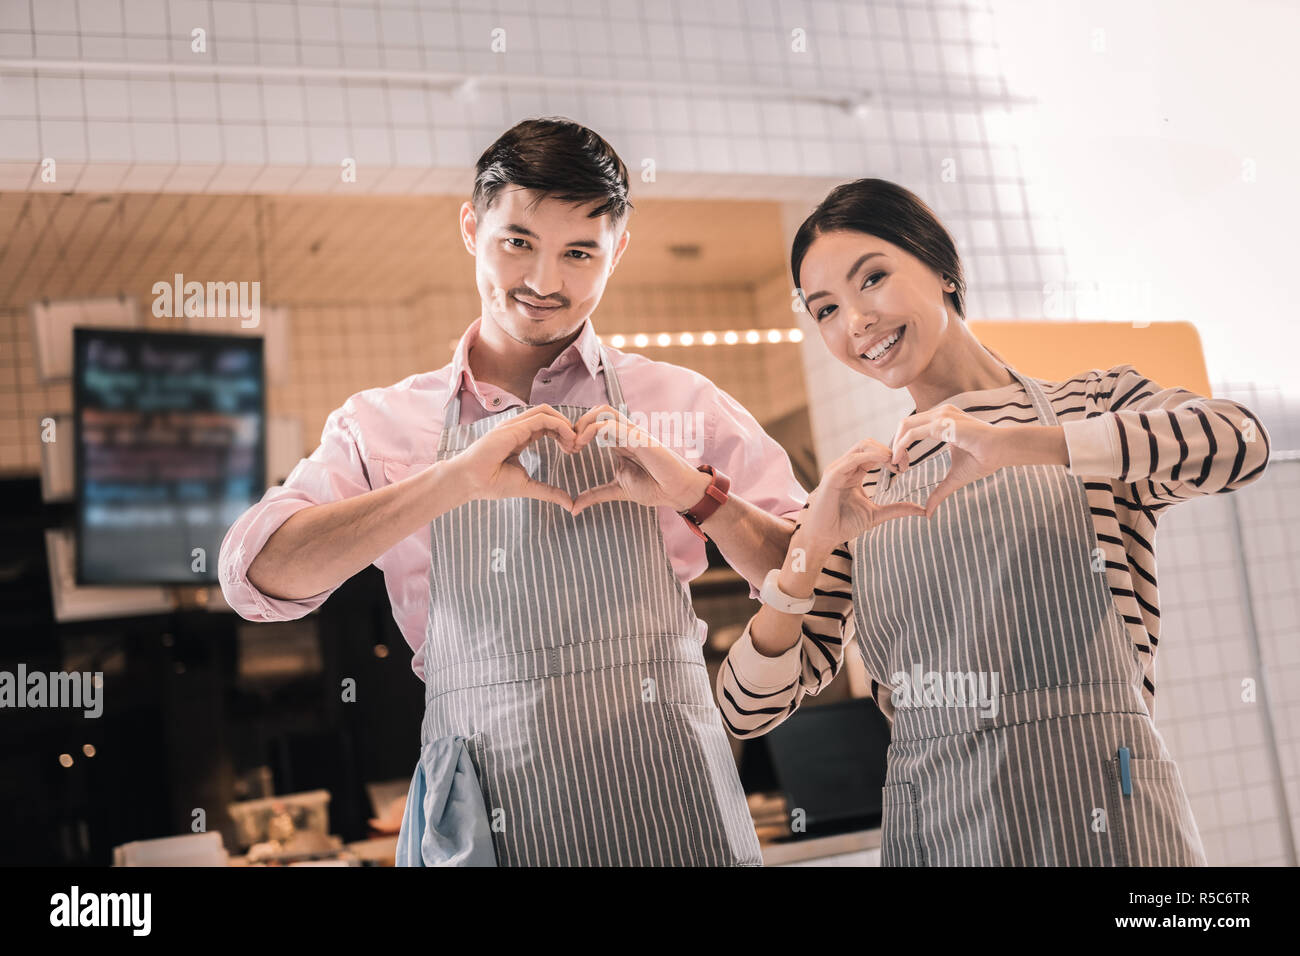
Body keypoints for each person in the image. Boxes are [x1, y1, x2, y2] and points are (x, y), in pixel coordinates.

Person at [219, 118, 808, 866]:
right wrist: (451, 481)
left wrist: (697, 494)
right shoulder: (382, 423)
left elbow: (811, 577)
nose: (544, 281)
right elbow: (256, 576)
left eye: (579, 253)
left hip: (673, 792)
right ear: (472, 226)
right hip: (489, 811)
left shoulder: (682, 402)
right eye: (518, 242)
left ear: (617, 251)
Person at [718, 178, 1271, 866]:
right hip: (938, 827)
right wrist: (809, 551)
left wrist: (1023, 444)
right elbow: (745, 708)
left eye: (874, 279)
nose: (855, 321)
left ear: (944, 269)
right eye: (825, 308)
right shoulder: (862, 489)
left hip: (1103, 806)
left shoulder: (1089, 404)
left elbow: (1242, 442)